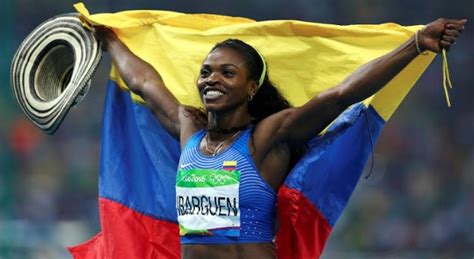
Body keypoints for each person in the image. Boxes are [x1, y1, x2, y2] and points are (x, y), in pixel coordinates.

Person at [93, 17, 466, 259]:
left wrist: (415, 44)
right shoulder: (188, 130)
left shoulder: (266, 138)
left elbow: (339, 96)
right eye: (206, 72)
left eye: (227, 72)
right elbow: (144, 81)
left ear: (252, 87)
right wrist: (107, 38)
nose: (212, 79)